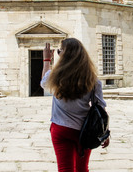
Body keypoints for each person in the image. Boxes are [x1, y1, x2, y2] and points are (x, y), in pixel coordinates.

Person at [40, 38, 109, 172]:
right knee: (82, 168)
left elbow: (43, 83)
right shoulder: (93, 79)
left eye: (60, 51)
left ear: (63, 56)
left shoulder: (54, 76)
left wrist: (47, 60)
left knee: (65, 169)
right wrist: (104, 132)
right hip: (84, 130)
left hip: (60, 128)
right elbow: (100, 108)